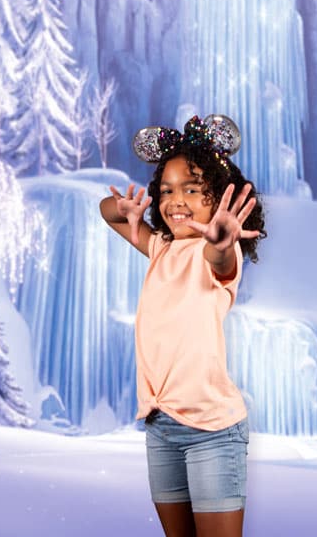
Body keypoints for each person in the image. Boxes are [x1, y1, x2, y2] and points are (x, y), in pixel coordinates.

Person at [99, 115, 266, 537]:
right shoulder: (160, 248)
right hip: (160, 425)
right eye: (167, 190)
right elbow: (107, 212)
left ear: (219, 201)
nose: (176, 200)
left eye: (193, 189)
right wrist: (123, 209)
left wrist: (222, 242)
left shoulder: (215, 257)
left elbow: (220, 261)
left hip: (212, 430)